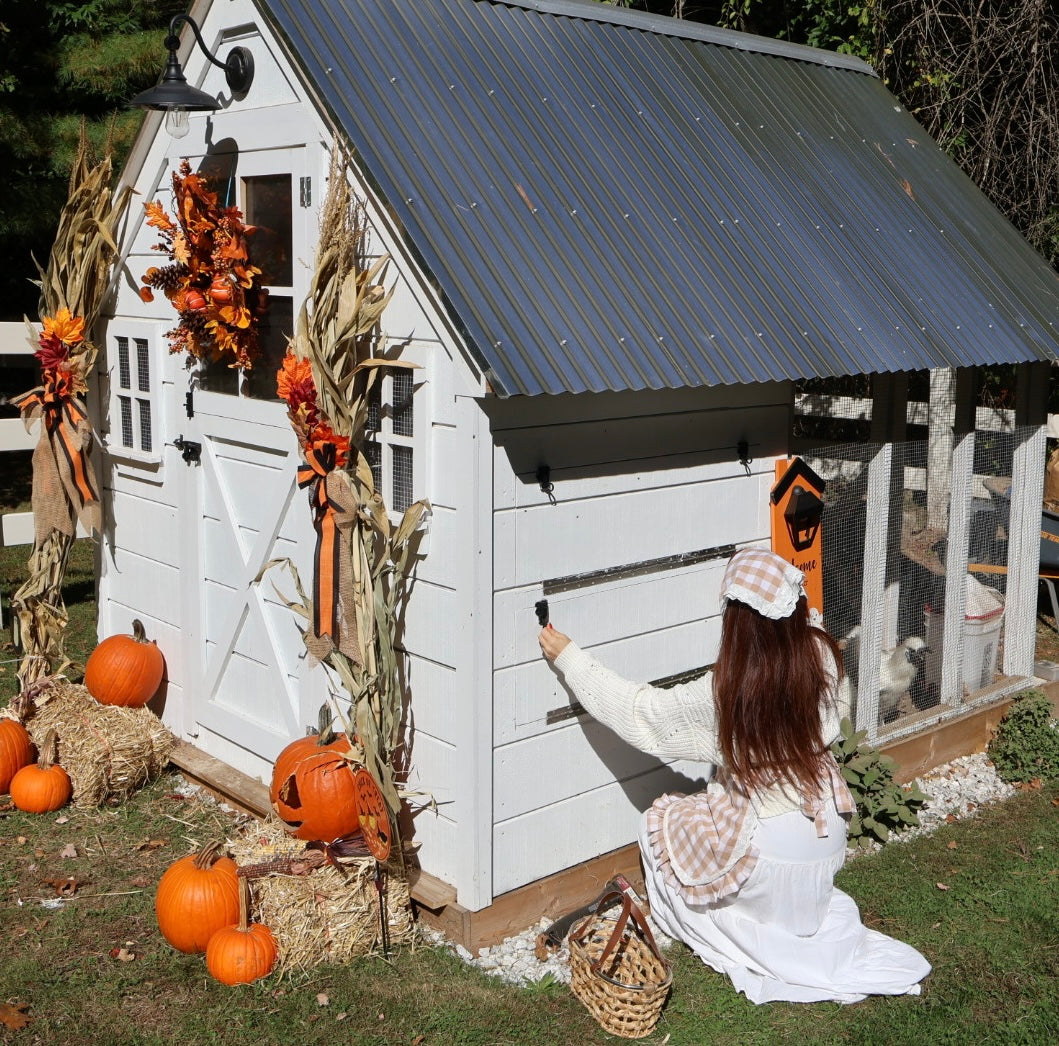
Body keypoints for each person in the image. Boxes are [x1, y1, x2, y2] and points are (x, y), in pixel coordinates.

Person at [539, 546, 931, 1005]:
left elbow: (642, 713)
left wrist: (570, 658)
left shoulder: (728, 693)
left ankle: (755, 917)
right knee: (714, 823)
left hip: (773, 851)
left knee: (659, 825)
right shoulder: (821, 655)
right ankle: (789, 916)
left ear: (737, 621)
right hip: (824, 835)